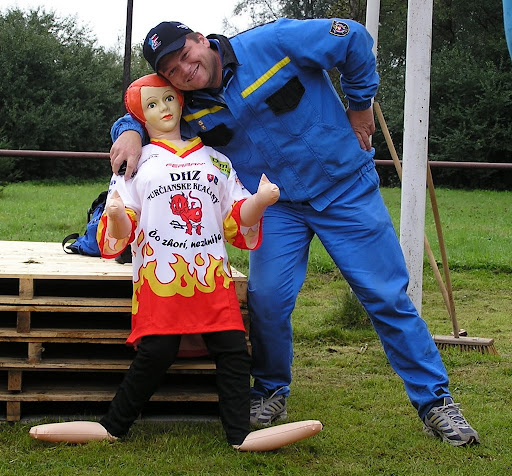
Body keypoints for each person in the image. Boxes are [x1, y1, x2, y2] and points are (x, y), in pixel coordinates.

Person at [109, 19, 480, 446]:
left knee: (386, 297)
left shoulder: (273, 41)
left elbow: (352, 38)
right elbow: (140, 109)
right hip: (277, 207)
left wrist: (360, 103)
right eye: (171, 70)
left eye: (184, 54)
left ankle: (436, 403)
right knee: (267, 301)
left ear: (199, 39)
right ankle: (270, 391)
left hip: (345, 189)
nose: (184, 70)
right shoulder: (188, 103)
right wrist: (130, 133)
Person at [29, 74, 323, 451]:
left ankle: (239, 433)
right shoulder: (136, 165)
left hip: (211, 278)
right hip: (161, 278)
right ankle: (114, 425)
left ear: (180, 102)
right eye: (151, 104)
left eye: (168, 99)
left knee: (233, 350)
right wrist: (115, 215)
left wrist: (261, 200)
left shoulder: (217, 161)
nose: (163, 109)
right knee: (156, 352)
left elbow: (235, 219)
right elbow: (123, 228)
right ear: (140, 115)